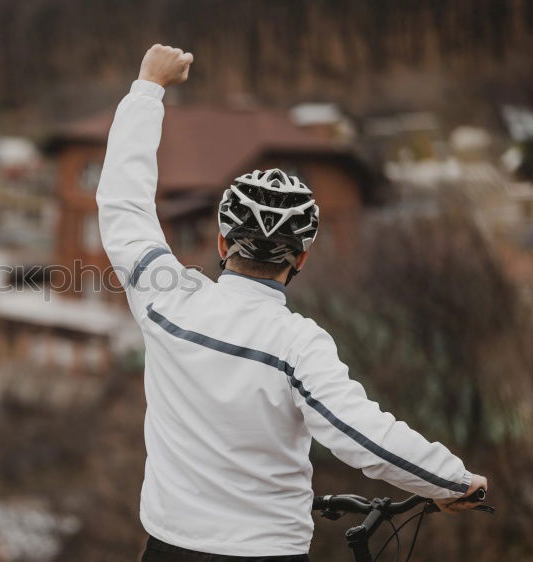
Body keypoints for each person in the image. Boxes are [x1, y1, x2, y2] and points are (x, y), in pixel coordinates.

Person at [96, 44, 488, 562]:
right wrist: (452, 482)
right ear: (301, 258)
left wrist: (149, 84)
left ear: (221, 243)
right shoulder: (298, 344)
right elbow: (361, 435)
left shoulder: (167, 299)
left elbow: (123, 202)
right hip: (267, 552)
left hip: (170, 547)